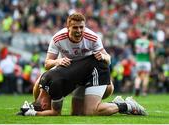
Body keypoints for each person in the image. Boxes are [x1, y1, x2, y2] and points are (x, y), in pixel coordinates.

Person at [18, 12, 147, 116]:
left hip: (89, 74)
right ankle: (38, 106)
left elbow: (108, 59)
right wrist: (58, 61)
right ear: (68, 28)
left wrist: (102, 56)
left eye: (81, 27)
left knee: (100, 99)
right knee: (73, 111)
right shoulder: (58, 38)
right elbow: (47, 63)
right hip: (70, 72)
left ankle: (126, 105)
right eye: (75, 27)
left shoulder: (92, 38)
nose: (79, 30)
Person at [18, 55, 147, 116]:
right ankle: (114, 103)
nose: (48, 105)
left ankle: (128, 106)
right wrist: (31, 107)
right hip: (82, 75)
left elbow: (56, 112)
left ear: (44, 105)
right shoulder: (43, 80)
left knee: (91, 111)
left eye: (45, 107)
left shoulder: (54, 87)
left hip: (97, 69)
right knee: (77, 114)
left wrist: (34, 114)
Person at [134, 32, 155, 96]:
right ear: (146, 35)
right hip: (146, 61)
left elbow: (136, 50)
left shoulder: (137, 41)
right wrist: (153, 61)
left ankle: (137, 87)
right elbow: (151, 53)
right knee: (146, 77)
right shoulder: (149, 42)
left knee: (138, 76)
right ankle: (144, 92)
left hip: (138, 61)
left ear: (141, 35)